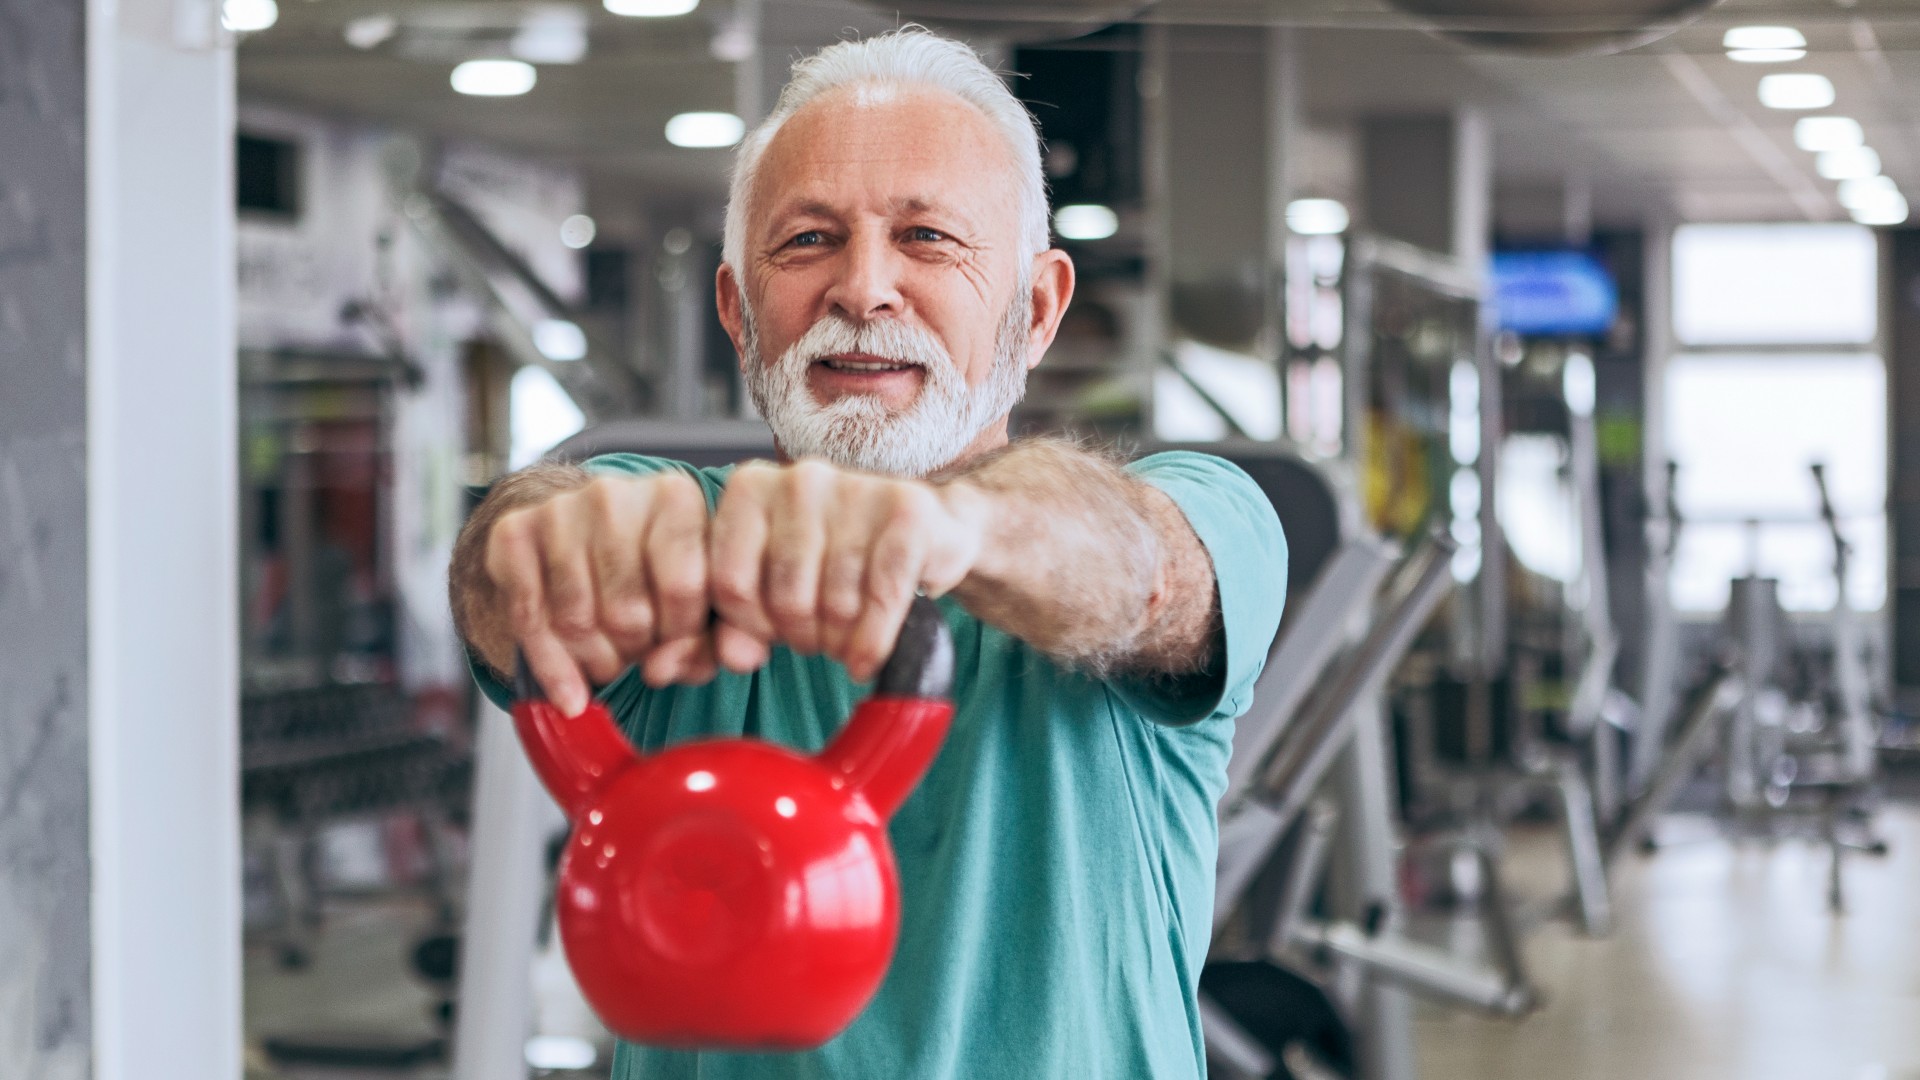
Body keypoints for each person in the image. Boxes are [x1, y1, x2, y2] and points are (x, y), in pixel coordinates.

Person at [448, 28, 1287, 1080]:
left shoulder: (1199, 510)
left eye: (928, 238)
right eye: (807, 242)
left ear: (1036, 310)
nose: (864, 288)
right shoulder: (682, 534)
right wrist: (541, 547)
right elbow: (511, 566)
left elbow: (1142, 568)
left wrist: (948, 528)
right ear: (737, 314)